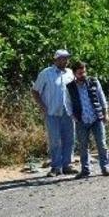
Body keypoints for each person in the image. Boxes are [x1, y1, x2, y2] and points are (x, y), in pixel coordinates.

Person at [32, 49, 77, 177]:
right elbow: (35, 91)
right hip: (52, 112)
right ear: (56, 59)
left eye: (67, 58)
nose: (66, 60)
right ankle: (56, 167)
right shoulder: (46, 73)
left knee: (69, 139)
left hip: (68, 112)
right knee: (55, 140)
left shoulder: (70, 73)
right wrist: (42, 106)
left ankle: (67, 165)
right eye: (63, 58)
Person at [67, 61, 109, 178]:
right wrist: (72, 116)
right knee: (83, 146)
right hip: (81, 120)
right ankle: (85, 170)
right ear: (74, 74)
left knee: (101, 144)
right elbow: (67, 103)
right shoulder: (70, 87)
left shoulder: (94, 82)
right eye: (80, 73)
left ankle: (105, 167)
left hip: (96, 118)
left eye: (84, 71)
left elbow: (101, 97)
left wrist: (105, 113)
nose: (83, 74)